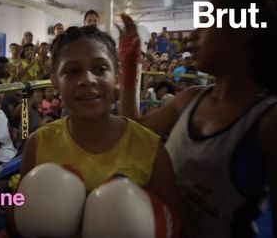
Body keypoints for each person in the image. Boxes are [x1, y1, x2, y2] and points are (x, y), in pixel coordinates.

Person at [118, 0, 277, 237]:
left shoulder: (275, 123)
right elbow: (132, 132)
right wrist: (130, 68)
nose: (192, 34)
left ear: (241, 31)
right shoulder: (190, 98)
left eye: (205, 23)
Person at [20, 24, 184, 226]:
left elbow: (176, 225)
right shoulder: (38, 144)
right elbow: (19, 224)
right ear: (55, 81)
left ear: (116, 77)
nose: (88, 79)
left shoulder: (150, 149)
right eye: (72, 71)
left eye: (100, 69)